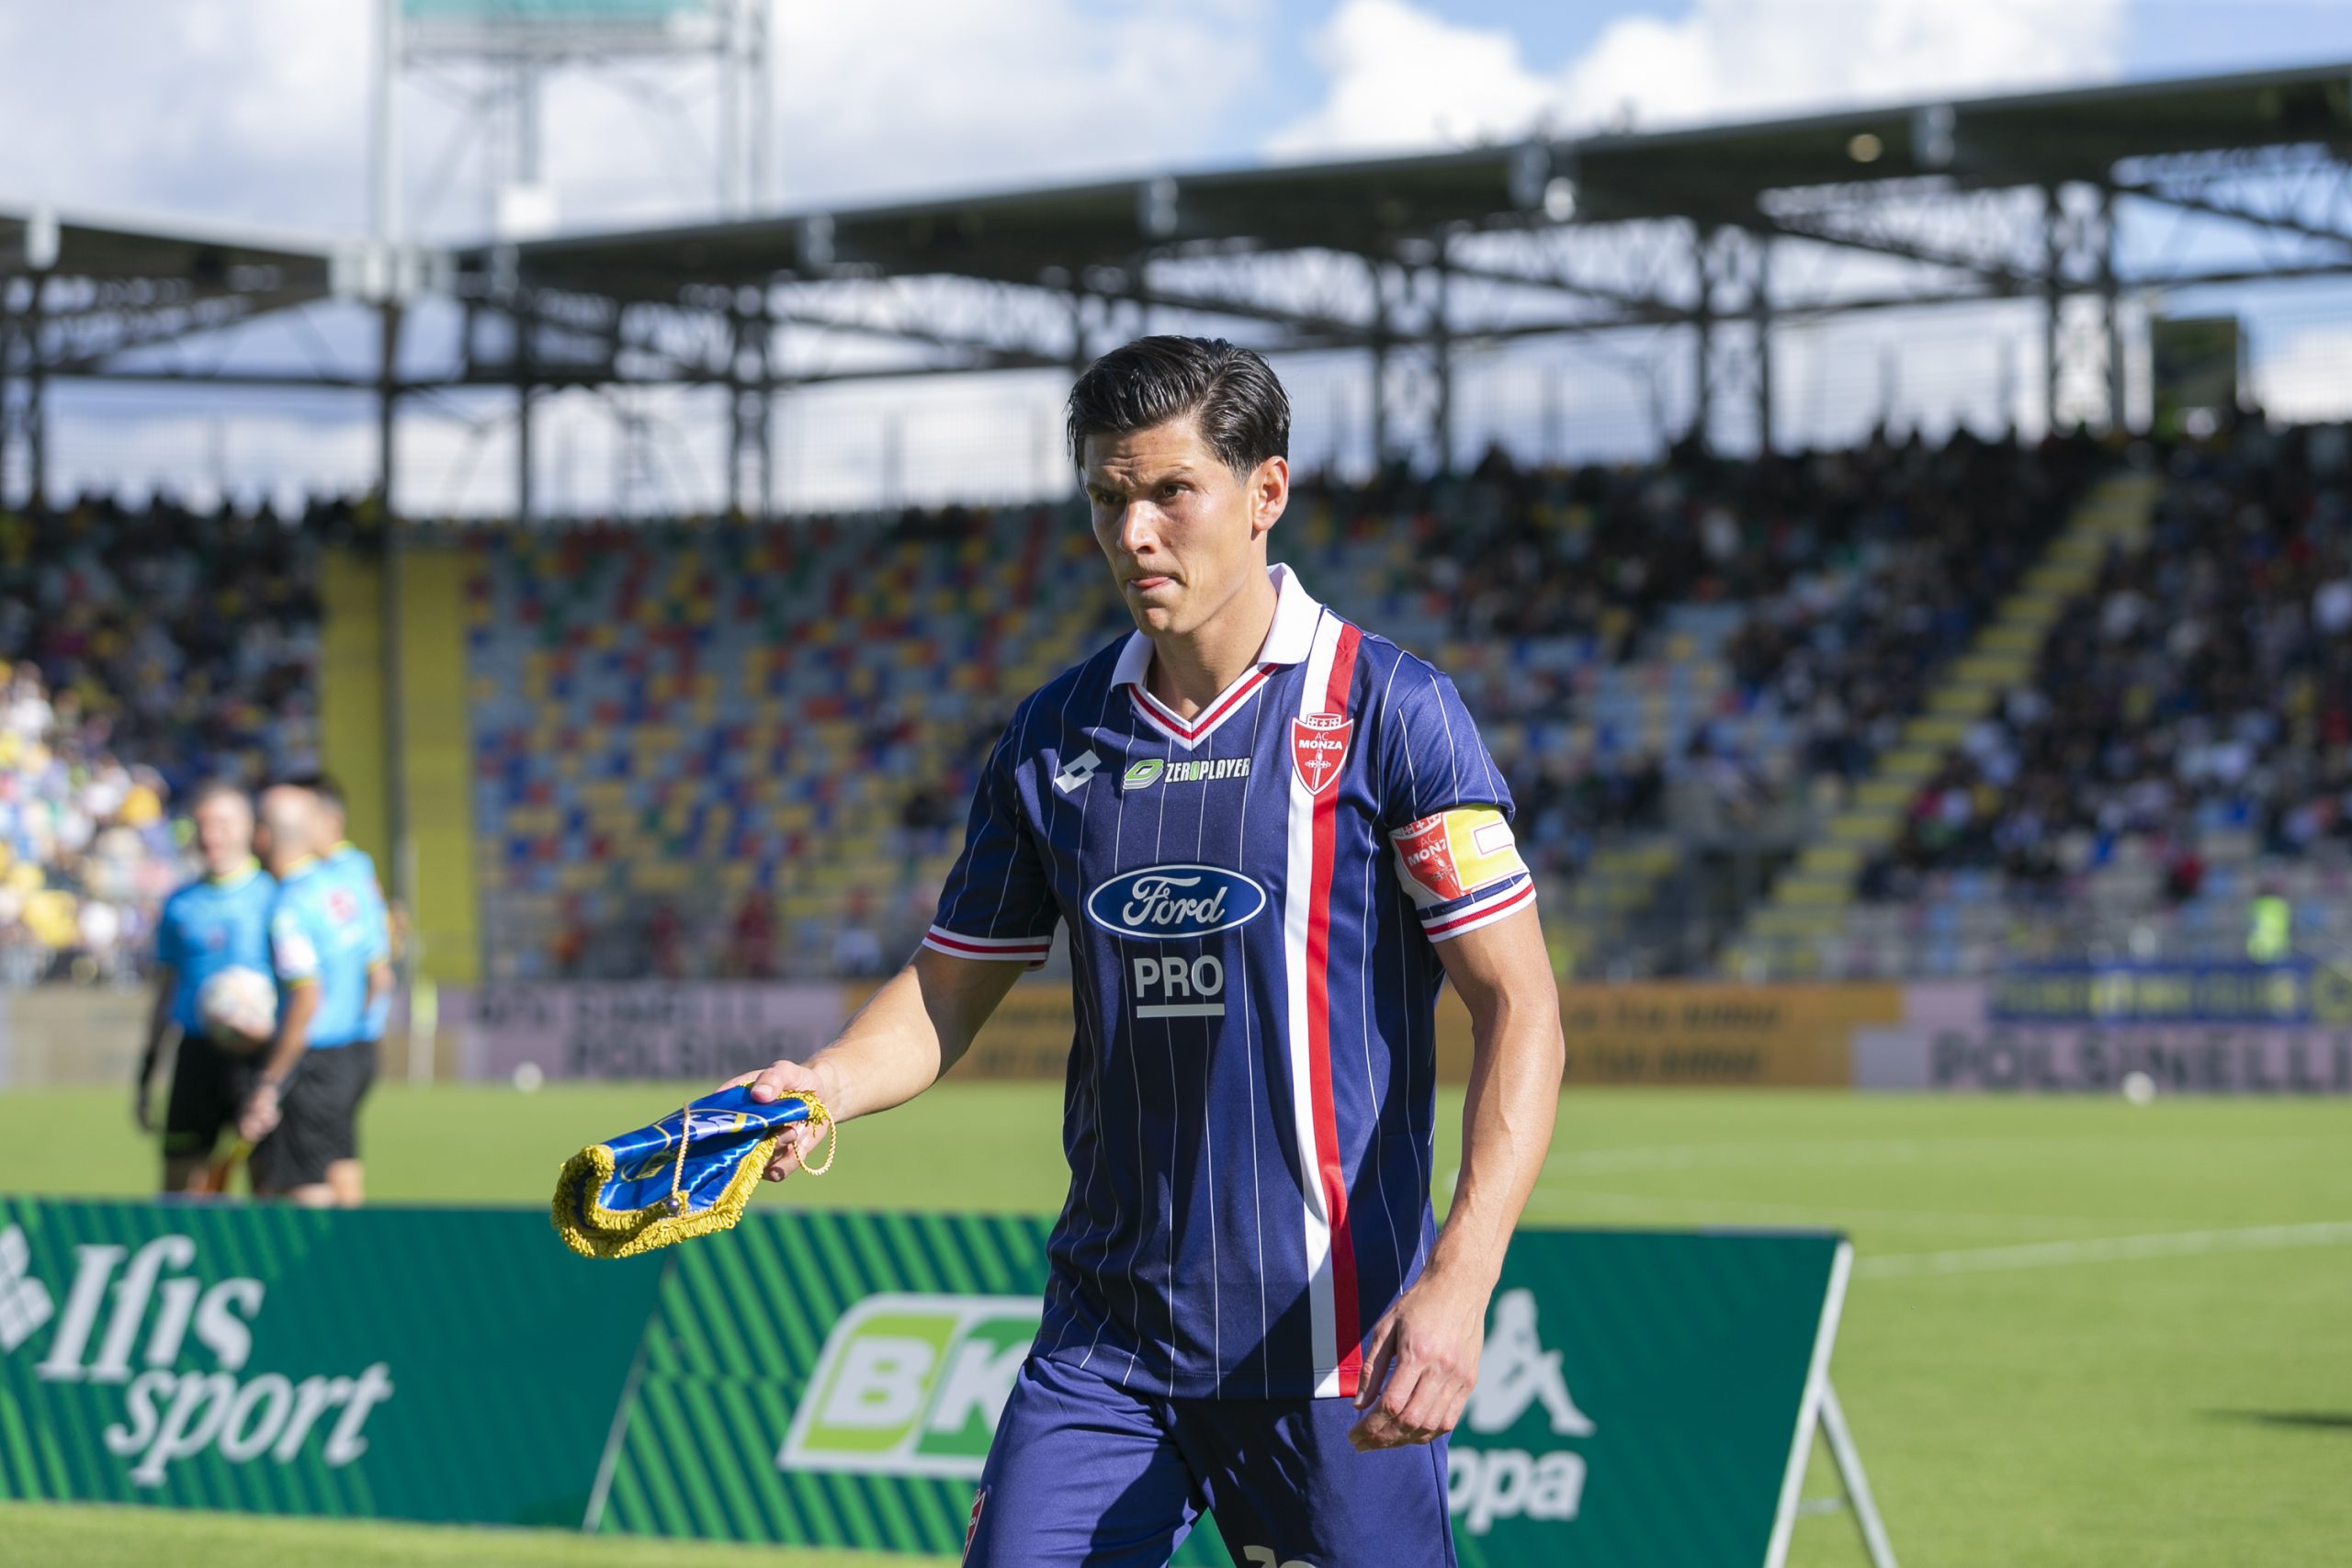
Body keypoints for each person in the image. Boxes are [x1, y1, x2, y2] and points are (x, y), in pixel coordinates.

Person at [737, 337, 1565, 1566]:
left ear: (1264, 493)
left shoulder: (1393, 711)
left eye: (1170, 490)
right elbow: (949, 986)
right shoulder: (1053, 733)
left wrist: (1461, 1276)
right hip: (1106, 1344)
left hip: (1330, 1346)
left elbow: (1523, 1009)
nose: (1134, 531)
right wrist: (828, 1081)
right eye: (1107, 496)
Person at [237, 784, 379, 1207]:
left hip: (312, 1058)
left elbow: (305, 997)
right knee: (339, 1166)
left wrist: (270, 1079)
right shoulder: (340, 887)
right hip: (353, 1048)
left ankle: (316, 1271)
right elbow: (378, 974)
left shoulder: (289, 907)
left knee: (304, 1182)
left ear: (262, 837)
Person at [139, 781, 275, 1193]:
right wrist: (147, 1070)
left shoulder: (276, 896)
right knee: (182, 1190)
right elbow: (166, 989)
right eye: (202, 824)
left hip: (259, 1059)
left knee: (269, 1186)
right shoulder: (180, 903)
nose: (211, 834)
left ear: (249, 828)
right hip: (195, 1053)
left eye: (222, 822)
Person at [303, 774, 394, 1204]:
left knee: (329, 1154)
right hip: (352, 1037)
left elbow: (378, 969)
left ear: (331, 820)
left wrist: (346, 1022)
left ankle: (345, 1248)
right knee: (328, 1150)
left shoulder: (343, 874)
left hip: (343, 1040)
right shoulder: (353, 870)